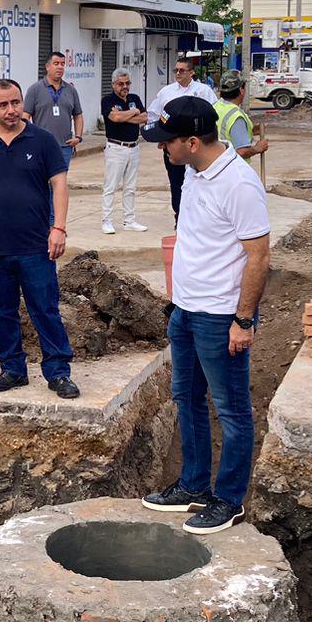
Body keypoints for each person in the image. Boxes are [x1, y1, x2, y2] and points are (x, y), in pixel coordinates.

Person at [140, 96, 270, 534]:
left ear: (192, 141)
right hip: (187, 312)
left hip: (220, 318)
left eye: (167, 142)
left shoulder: (239, 184)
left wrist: (244, 320)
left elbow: (259, 257)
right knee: (187, 398)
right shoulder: (194, 173)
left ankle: (229, 500)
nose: (163, 149)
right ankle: (193, 485)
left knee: (231, 410)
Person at [0, 79, 80, 400]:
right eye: (3, 105)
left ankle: (58, 372)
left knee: (45, 308)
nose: (11, 110)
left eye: (15, 103)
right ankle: (12, 368)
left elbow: (60, 184)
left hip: (35, 246)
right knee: (1, 311)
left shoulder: (42, 140)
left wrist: (60, 227)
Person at [148, 58, 217, 217]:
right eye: (176, 70)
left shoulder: (204, 91)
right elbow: (153, 115)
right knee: (176, 181)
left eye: (182, 70)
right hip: (174, 145)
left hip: (197, 147)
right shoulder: (166, 92)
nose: (178, 73)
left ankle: (200, 214)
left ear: (191, 72)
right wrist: (162, 137)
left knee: (200, 180)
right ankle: (179, 215)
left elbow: (214, 115)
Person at [100, 68, 149, 235]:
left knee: (130, 187)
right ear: (114, 84)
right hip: (116, 148)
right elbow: (115, 118)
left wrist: (126, 115)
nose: (125, 86)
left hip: (133, 147)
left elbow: (144, 118)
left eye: (127, 83)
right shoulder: (107, 100)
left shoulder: (134, 98)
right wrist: (132, 113)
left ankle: (129, 220)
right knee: (110, 186)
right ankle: (106, 221)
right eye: (121, 83)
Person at [23, 51, 84, 163]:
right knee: (42, 179)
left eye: (62, 64)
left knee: (61, 179)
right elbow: (25, 117)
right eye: (56, 63)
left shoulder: (71, 90)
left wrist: (78, 137)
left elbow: (78, 115)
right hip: (41, 146)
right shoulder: (35, 89)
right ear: (47, 67)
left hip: (65, 146)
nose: (60, 67)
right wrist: (31, 138)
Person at [213, 72, 267, 163]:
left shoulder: (215, 106)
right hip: (232, 170)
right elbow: (241, 152)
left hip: (216, 164)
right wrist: (257, 148)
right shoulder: (236, 116)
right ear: (241, 90)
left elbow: (225, 132)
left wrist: (251, 131)